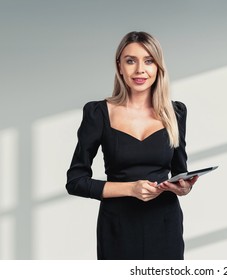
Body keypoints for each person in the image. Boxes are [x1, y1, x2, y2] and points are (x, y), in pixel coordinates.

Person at [66, 31, 198, 260]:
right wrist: (130, 189)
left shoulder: (175, 112)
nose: (140, 70)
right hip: (118, 226)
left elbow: (179, 172)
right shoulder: (98, 113)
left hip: (165, 224)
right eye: (130, 61)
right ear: (119, 66)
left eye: (148, 61)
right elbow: (76, 182)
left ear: (158, 67)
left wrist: (184, 187)